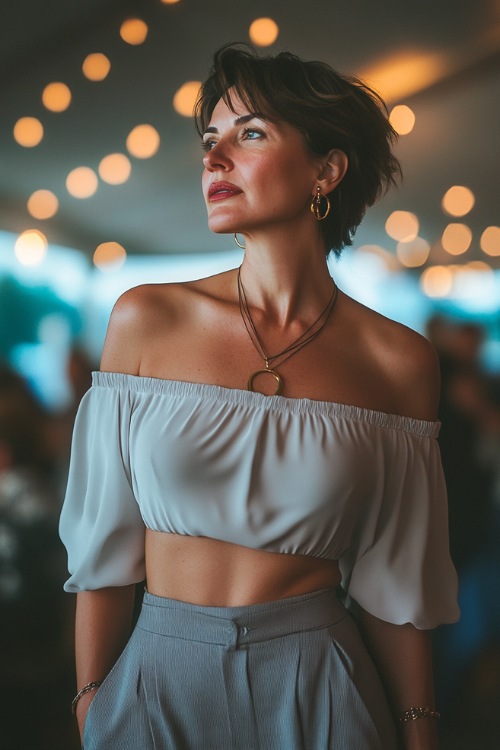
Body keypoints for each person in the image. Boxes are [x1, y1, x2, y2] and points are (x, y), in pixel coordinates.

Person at [59, 44, 459, 750]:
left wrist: (419, 734)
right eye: (210, 140)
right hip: (156, 676)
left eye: (249, 134)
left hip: (320, 684)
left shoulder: (397, 360)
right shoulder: (146, 319)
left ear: (326, 170)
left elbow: (396, 584)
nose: (214, 161)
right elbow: (106, 546)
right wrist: (93, 701)